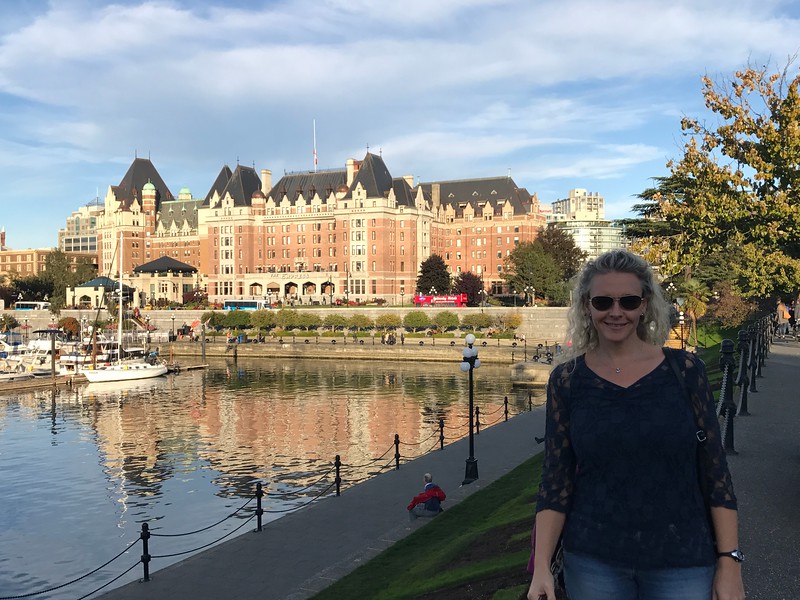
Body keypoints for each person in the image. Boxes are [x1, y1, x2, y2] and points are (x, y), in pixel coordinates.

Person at [527, 249, 744, 600]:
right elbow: (556, 479)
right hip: (594, 560)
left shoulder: (685, 372)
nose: (616, 312)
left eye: (628, 301)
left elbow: (715, 470)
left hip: (682, 556)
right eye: (603, 302)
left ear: (644, 305)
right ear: (587, 306)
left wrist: (730, 562)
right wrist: (541, 569)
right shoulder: (567, 381)